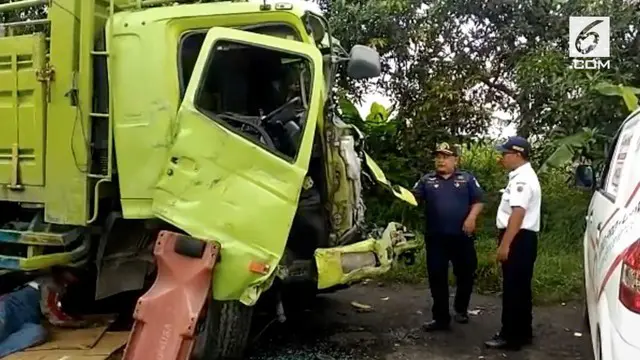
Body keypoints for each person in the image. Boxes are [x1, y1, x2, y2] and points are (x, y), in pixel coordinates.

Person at [412, 142, 484, 332]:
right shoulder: (426, 180)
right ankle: (441, 318)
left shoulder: (467, 179)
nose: (440, 160)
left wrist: (472, 217)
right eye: (438, 157)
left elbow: (478, 201)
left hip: (462, 237)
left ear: (455, 160)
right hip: (436, 238)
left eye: (445, 156)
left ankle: (461, 309)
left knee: (466, 274)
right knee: (437, 277)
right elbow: (413, 199)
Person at [484, 136, 541, 350]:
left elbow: (518, 213)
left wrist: (505, 245)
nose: (502, 158)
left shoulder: (522, 179)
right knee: (521, 288)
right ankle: (523, 332)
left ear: (517, 155)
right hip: (523, 238)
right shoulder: (521, 176)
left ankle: (510, 336)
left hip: (518, 237)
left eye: (505, 154)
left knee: (513, 289)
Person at [0, 268, 88, 357]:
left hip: (19, 320)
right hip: (7, 311)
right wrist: (80, 324)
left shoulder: (45, 280)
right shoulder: (52, 284)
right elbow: (54, 316)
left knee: (37, 333)